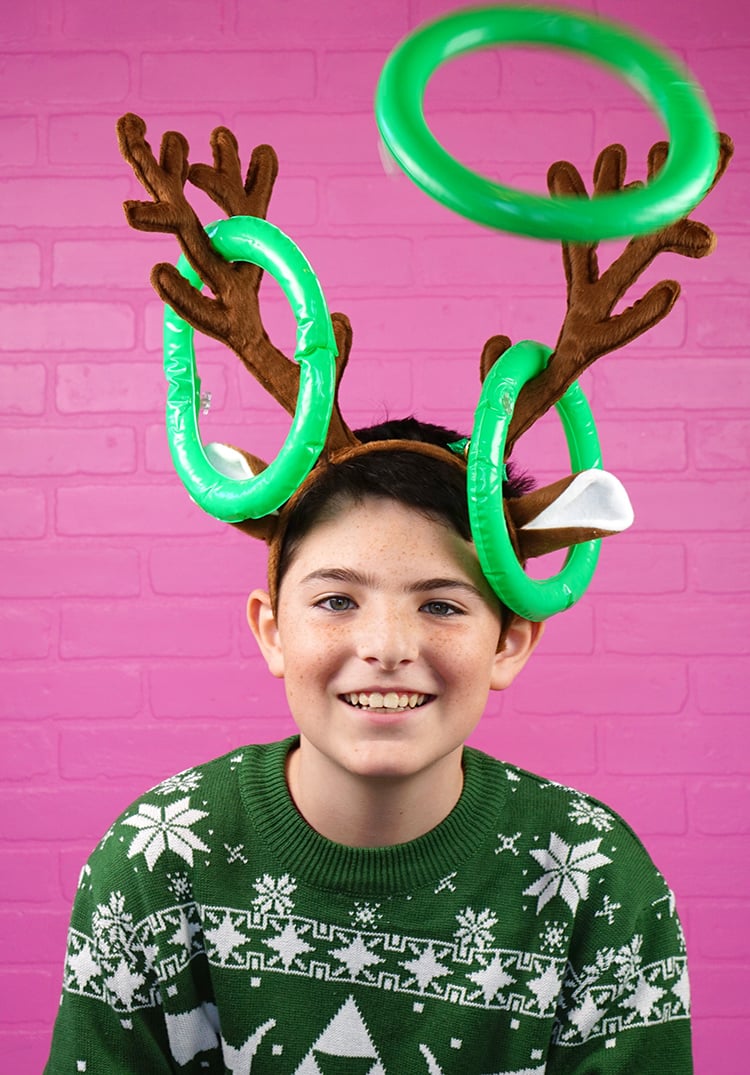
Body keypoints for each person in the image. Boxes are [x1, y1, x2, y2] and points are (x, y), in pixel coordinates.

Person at [44, 418, 692, 1074]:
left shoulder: (596, 877)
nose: (385, 646)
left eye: (441, 606)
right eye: (335, 599)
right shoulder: (152, 859)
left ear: (508, 642)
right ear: (273, 631)